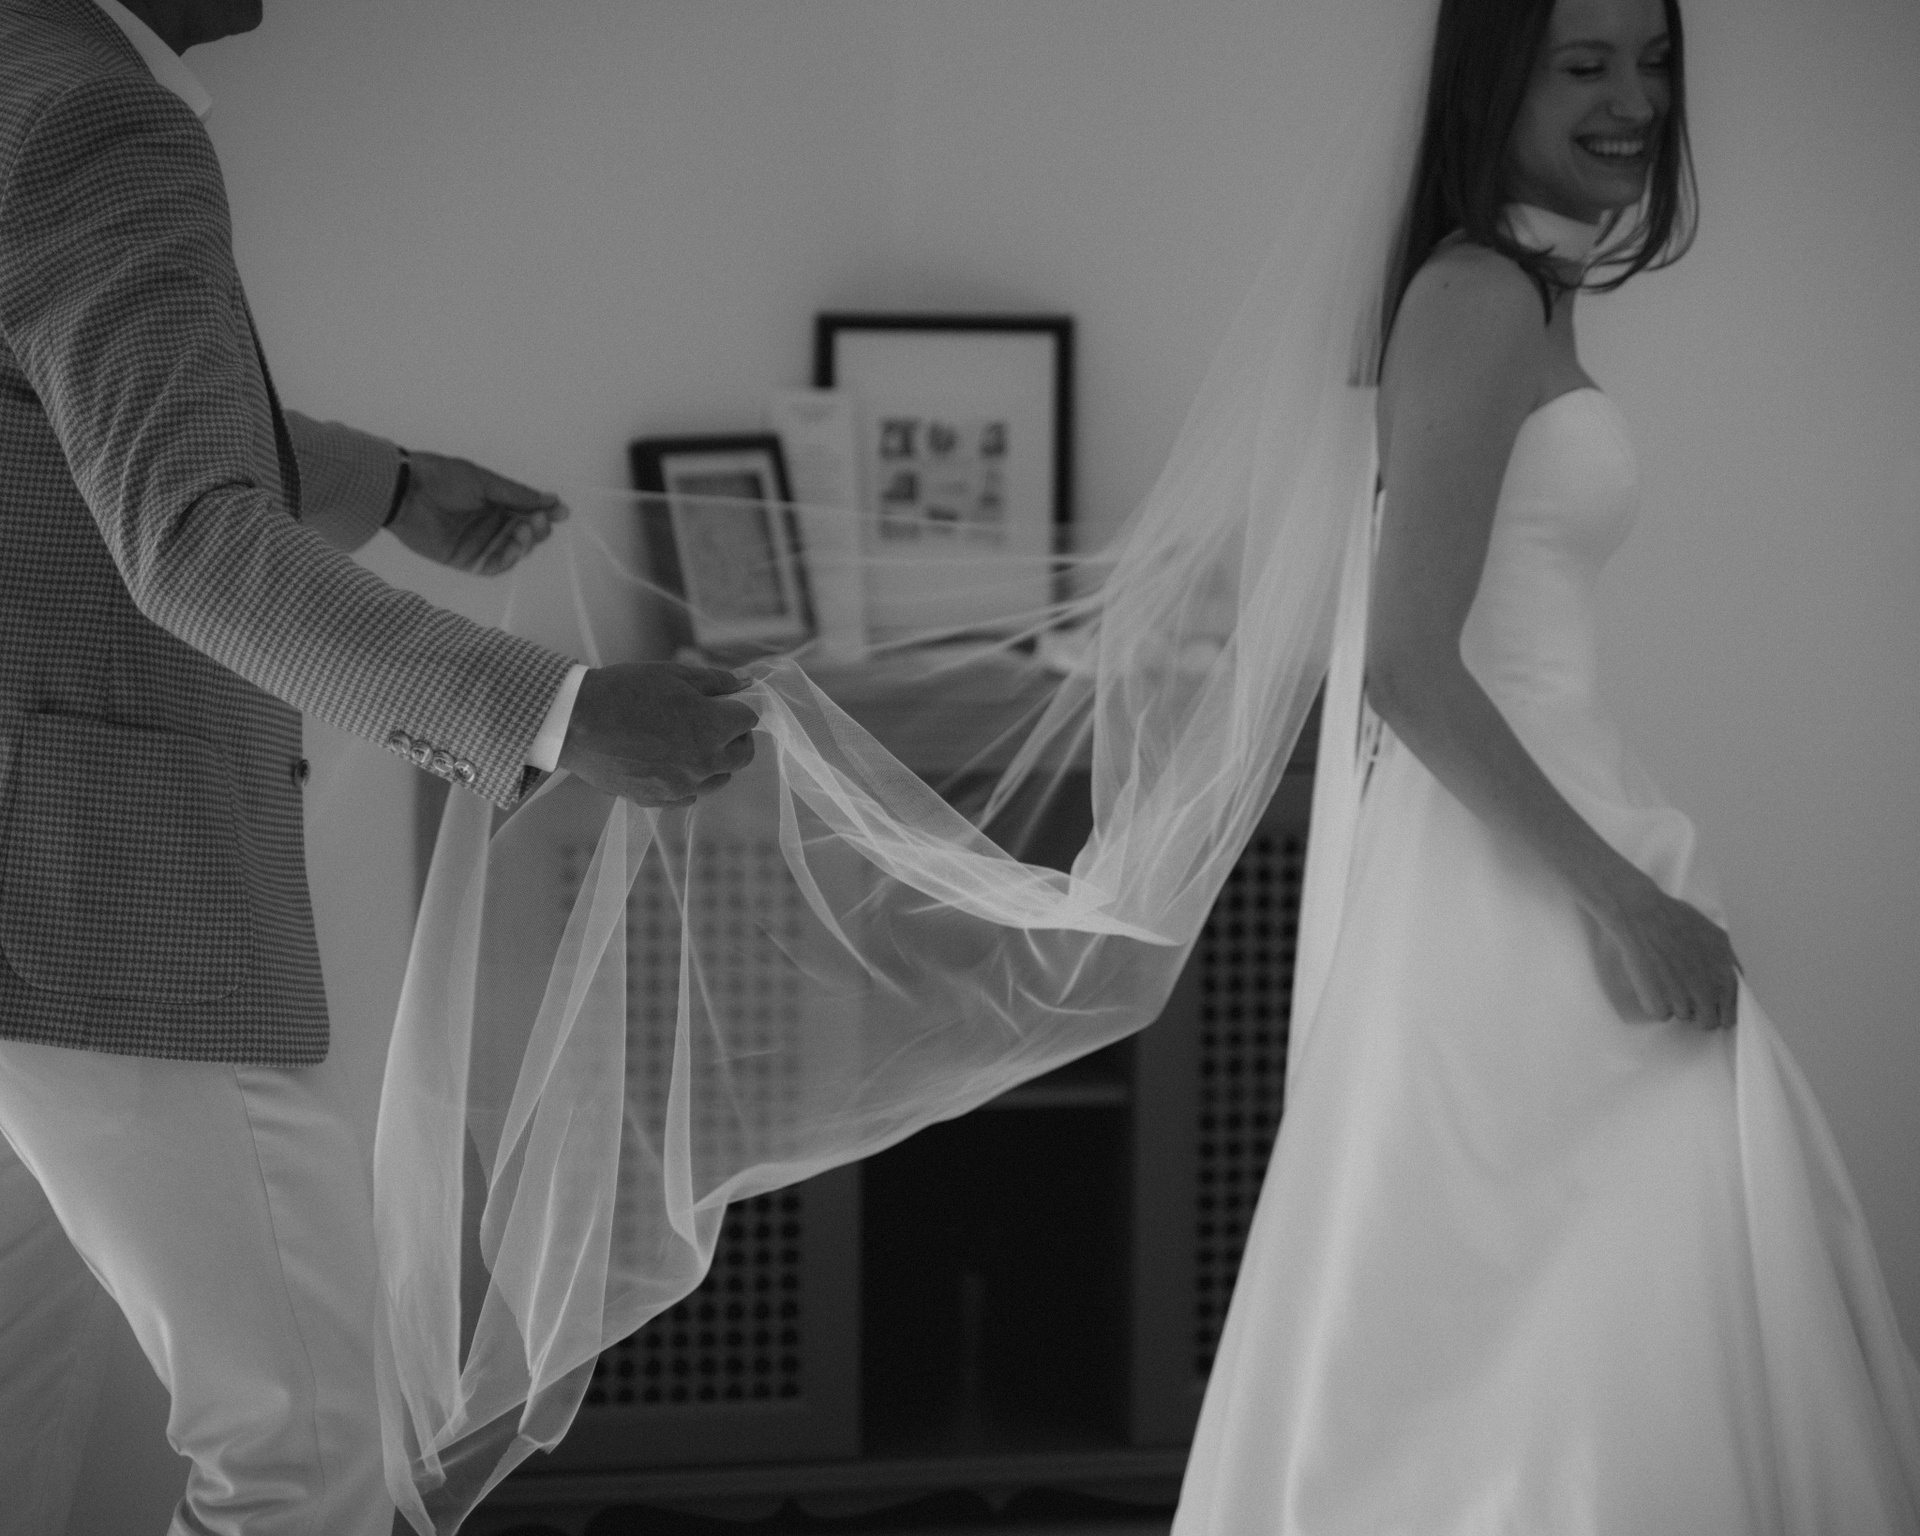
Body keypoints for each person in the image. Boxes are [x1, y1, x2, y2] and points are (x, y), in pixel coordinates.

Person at [0, 0, 757, 1532]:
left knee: (20, 1406)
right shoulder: (94, 114)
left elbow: (69, 418)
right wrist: (561, 713)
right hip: (90, 904)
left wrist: (391, 484)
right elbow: (188, 538)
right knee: (305, 1448)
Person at [1171, 0, 1920, 1531]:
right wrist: (1623, 900)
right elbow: (1408, 665)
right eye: (1584, 64)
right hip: (1517, 878)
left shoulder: (1525, 290)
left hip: (1553, 831)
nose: (1633, 98)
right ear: (1493, 82)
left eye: (1653, 59)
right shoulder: (1478, 296)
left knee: (1603, 1286)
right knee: (1533, 1290)